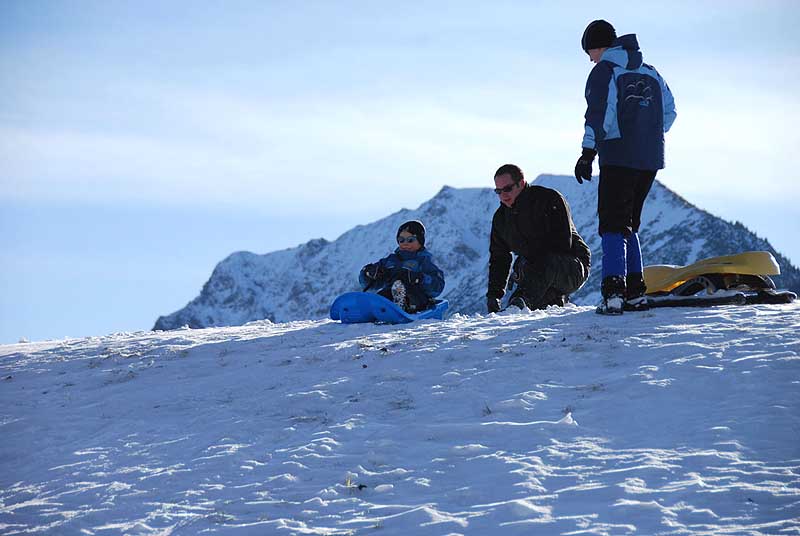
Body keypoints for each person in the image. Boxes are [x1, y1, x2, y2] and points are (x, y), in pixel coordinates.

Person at [574, 20, 677, 315]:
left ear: (598, 46)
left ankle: (614, 292)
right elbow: (670, 112)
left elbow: (598, 113)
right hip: (650, 158)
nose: (590, 58)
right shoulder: (650, 72)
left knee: (611, 223)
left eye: (589, 51)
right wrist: (647, 134)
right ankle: (636, 292)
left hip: (618, 155)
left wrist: (587, 152)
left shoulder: (605, 71)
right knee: (630, 221)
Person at [487, 164, 591, 313]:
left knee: (542, 266)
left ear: (521, 184)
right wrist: (493, 296)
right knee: (539, 308)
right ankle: (544, 303)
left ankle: (519, 306)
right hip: (533, 271)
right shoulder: (501, 219)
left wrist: (527, 263)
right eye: (498, 191)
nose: (503, 195)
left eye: (507, 189)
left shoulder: (548, 199)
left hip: (571, 266)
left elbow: (563, 244)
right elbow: (499, 258)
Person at [359, 220, 445, 313]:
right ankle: (373, 308)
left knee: (410, 294)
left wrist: (420, 278)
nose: (405, 243)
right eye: (401, 240)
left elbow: (437, 287)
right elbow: (367, 284)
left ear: (420, 241)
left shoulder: (424, 260)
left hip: (417, 297)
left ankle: (403, 305)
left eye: (410, 240)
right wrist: (368, 273)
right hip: (390, 294)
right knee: (382, 296)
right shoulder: (390, 260)